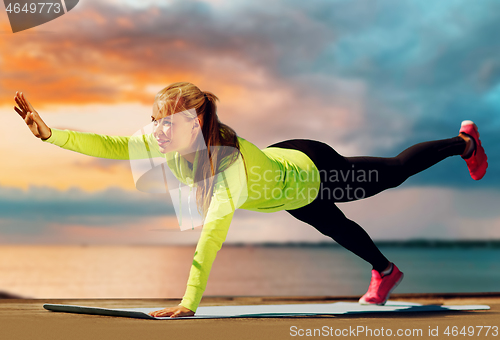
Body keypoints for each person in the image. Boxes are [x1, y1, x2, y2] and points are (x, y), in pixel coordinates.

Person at [13, 82, 488, 318]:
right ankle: (387, 272)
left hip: (314, 170)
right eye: (154, 120)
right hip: (284, 181)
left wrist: (188, 302)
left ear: (195, 125)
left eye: (167, 122)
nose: (156, 131)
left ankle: (463, 143)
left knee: (391, 174)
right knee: (334, 227)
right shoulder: (164, 138)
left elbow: (213, 235)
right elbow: (114, 145)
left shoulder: (228, 170)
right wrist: (51, 135)